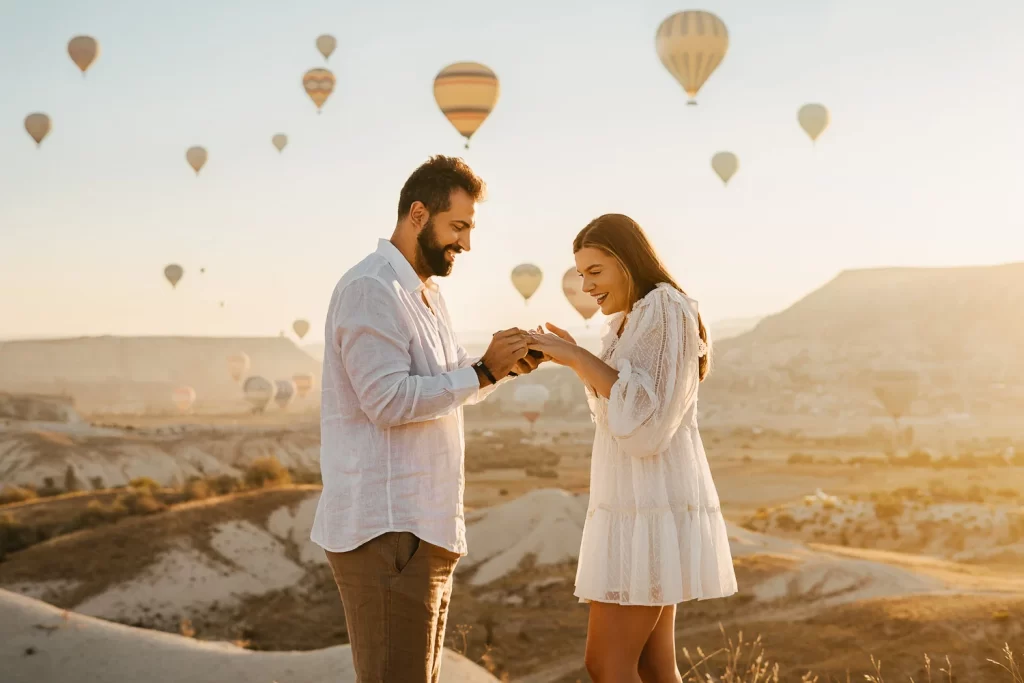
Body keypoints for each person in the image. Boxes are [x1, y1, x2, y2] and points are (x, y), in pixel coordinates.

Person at [310, 155, 543, 683]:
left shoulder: (426, 295)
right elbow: (387, 401)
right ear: (418, 214)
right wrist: (482, 372)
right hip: (388, 530)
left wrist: (501, 367)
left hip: (424, 527)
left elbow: (446, 383)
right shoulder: (371, 289)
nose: (466, 244)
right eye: (457, 226)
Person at [526, 214, 738, 683]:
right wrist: (578, 358)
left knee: (607, 664)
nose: (586, 286)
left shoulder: (664, 307)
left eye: (595, 272)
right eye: (580, 275)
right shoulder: (637, 318)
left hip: (648, 503)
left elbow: (643, 423)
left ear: (626, 262)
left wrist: (578, 358)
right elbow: (624, 398)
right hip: (641, 503)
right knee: (653, 665)